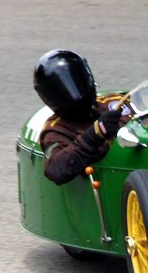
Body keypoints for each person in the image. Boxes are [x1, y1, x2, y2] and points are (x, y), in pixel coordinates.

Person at [33, 49, 130, 185]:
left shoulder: (115, 100)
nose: (74, 91)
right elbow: (55, 169)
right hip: (115, 184)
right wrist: (95, 134)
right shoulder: (56, 130)